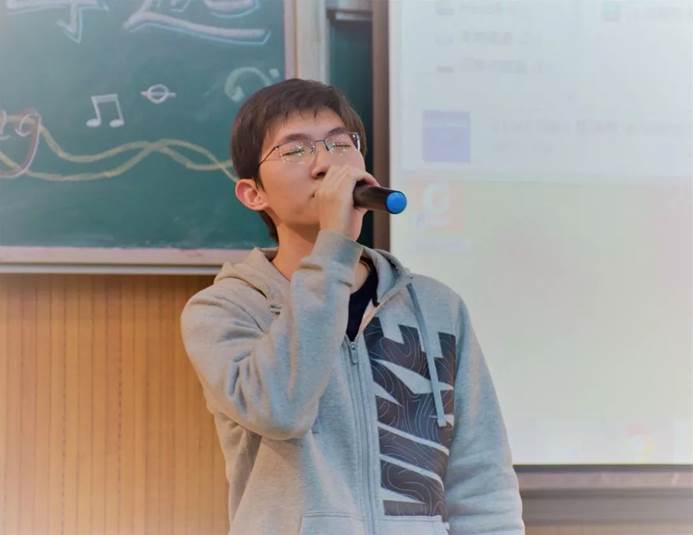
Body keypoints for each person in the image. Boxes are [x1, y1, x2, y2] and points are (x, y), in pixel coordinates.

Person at [180, 78, 524, 535]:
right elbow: (280, 409)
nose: (326, 163)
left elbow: (482, 480)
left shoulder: (438, 308)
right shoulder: (224, 310)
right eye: (295, 150)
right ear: (253, 193)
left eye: (340, 143)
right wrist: (333, 248)